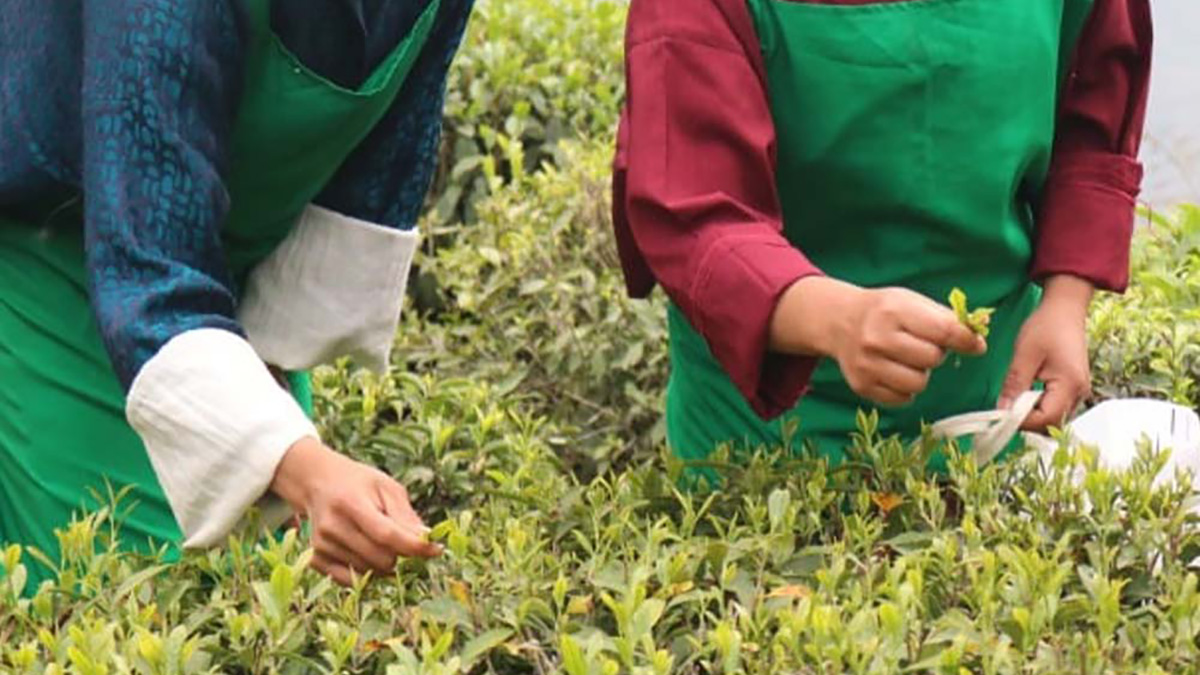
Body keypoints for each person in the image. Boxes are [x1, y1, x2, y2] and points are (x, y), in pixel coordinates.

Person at [0, 0, 473, 590]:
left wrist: (278, 422)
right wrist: (302, 466)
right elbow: (147, 257)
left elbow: (378, 174)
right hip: (54, 256)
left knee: (271, 583)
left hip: (220, 291)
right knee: (147, 591)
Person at [612, 0, 1153, 472]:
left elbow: (1094, 102)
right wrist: (837, 319)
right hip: (767, 452)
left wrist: (1065, 301)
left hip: (994, 416)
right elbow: (694, 209)